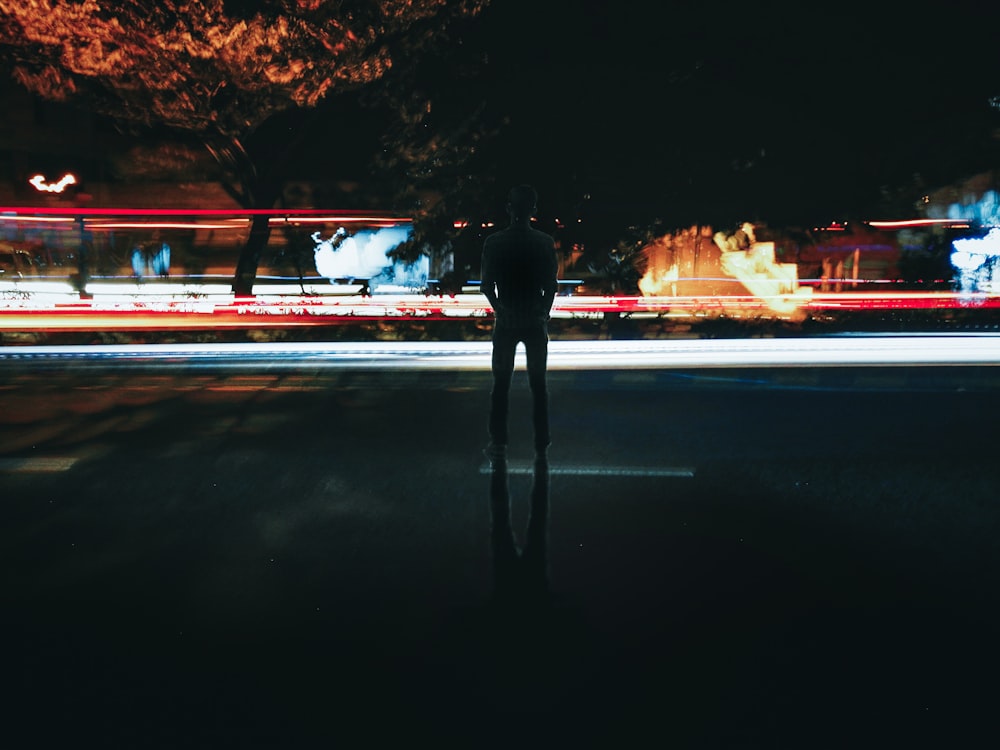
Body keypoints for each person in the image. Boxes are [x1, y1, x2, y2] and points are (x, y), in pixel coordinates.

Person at [480, 184, 559, 463]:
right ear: (533, 210)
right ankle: (541, 441)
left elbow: (487, 286)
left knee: (501, 384)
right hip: (534, 319)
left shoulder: (495, 243)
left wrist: (500, 310)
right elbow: (551, 286)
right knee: (539, 384)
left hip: (507, 319)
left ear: (509, 208)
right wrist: (543, 314)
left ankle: (499, 442)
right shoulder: (544, 242)